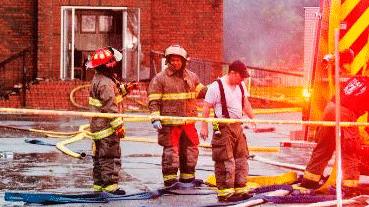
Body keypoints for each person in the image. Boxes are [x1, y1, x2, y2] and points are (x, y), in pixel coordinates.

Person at [298, 59, 369, 197]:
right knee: (350, 150)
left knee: (324, 146)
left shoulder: (356, 78)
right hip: (346, 114)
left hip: (329, 109)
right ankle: (350, 187)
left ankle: (309, 181)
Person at [148, 45, 207, 187]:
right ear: (168, 61)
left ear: (184, 61)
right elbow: (154, 101)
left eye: (178, 60)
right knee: (171, 154)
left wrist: (218, 87)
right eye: (172, 60)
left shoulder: (192, 77)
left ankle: (188, 179)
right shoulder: (160, 79)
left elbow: (203, 92)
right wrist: (155, 118)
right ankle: (170, 181)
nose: (175, 63)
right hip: (170, 125)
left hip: (188, 124)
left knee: (190, 153)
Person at [200, 60, 256, 203]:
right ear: (232, 73)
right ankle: (225, 193)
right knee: (225, 160)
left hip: (237, 126)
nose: (242, 80)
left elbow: (245, 103)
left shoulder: (241, 85)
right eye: (240, 76)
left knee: (241, 158)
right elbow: (206, 107)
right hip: (223, 127)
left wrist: (253, 118)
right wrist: (204, 127)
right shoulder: (216, 87)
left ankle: (240, 189)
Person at [87, 46, 134, 195]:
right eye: (112, 62)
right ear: (107, 66)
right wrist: (118, 126)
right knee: (110, 157)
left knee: (99, 159)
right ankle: (110, 187)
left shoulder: (101, 79)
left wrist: (126, 89)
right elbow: (110, 106)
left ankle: (99, 186)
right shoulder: (106, 83)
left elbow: (112, 95)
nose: (114, 65)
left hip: (98, 128)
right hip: (107, 129)